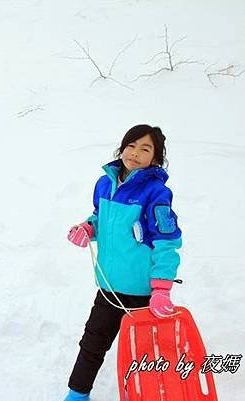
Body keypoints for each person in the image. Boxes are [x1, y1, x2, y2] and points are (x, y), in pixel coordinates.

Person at [63, 125, 182, 401]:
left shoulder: (156, 194)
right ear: (122, 147)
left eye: (145, 149)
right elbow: (99, 217)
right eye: (131, 145)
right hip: (108, 287)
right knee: (92, 344)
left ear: (155, 158)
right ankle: (77, 394)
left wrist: (162, 289)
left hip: (141, 294)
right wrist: (88, 228)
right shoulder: (105, 183)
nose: (136, 153)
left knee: (140, 354)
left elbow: (167, 242)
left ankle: (142, 396)